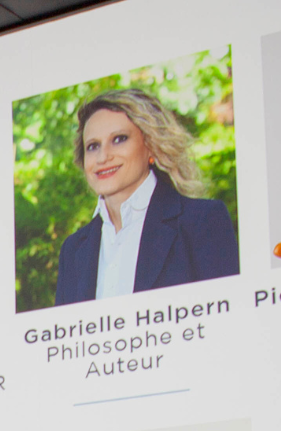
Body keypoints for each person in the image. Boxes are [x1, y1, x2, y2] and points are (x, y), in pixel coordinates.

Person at [50, 88, 239, 307]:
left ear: (151, 146)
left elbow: (226, 322)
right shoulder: (73, 250)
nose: (103, 157)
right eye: (93, 146)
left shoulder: (201, 222)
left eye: (119, 139)